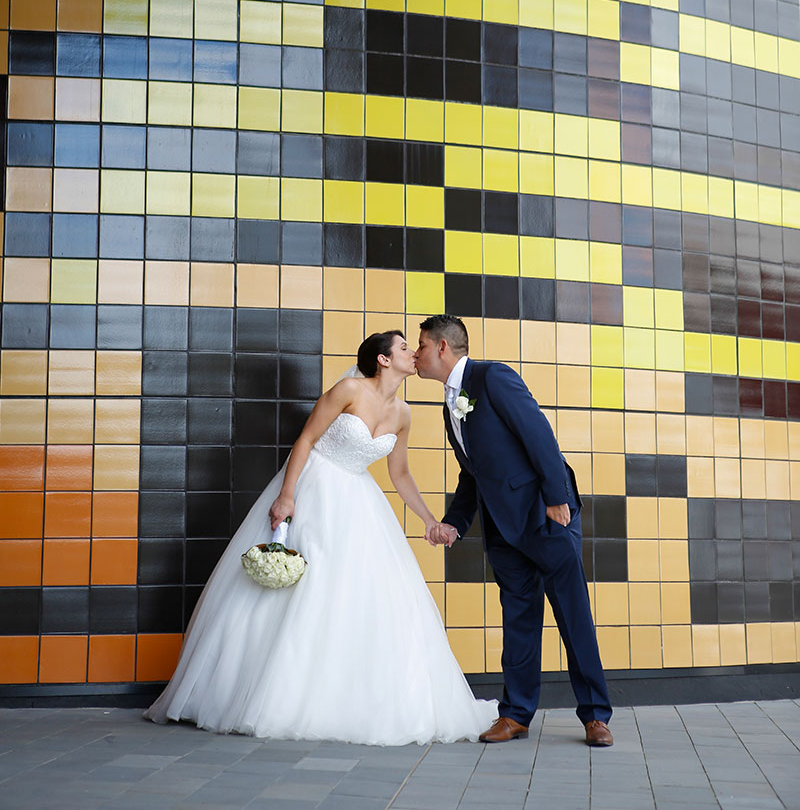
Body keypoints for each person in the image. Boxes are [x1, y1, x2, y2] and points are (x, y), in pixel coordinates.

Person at [145, 329, 496, 745]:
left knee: (355, 593)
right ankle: (262, 694)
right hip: (316, 488)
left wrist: (429, 520)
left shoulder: (403, 413)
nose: (413, 354)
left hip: (359, 500)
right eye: (405, 347)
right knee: (296, 586)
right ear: (383, 359)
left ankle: (340, 696)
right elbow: (307, 439)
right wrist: (287, 495)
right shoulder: (349, 389)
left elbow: (399, 473)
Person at [415, 314, 613, 747]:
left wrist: (557, 496)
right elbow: (473, 475)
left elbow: (538, 432)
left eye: (422, 346)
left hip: (545, 516)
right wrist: (455, 523)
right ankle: (516, 715)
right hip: (502, 529)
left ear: (443, 348)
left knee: (572, 615)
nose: (416, 355)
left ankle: (596, 716)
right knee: (518, 621)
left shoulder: (493, 377)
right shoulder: (449, 406)